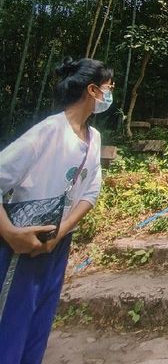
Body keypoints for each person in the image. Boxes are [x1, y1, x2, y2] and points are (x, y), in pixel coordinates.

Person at [0, 57, 111, 363]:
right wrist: (9, 232)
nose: (110, 93)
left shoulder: (94, 137)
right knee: (10, 326)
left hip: (57, 244)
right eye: (107, 87)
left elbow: (91, 191)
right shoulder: (48, 131)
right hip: (21, 247)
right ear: (92, 90)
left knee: (38, 326)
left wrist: (62, 231)